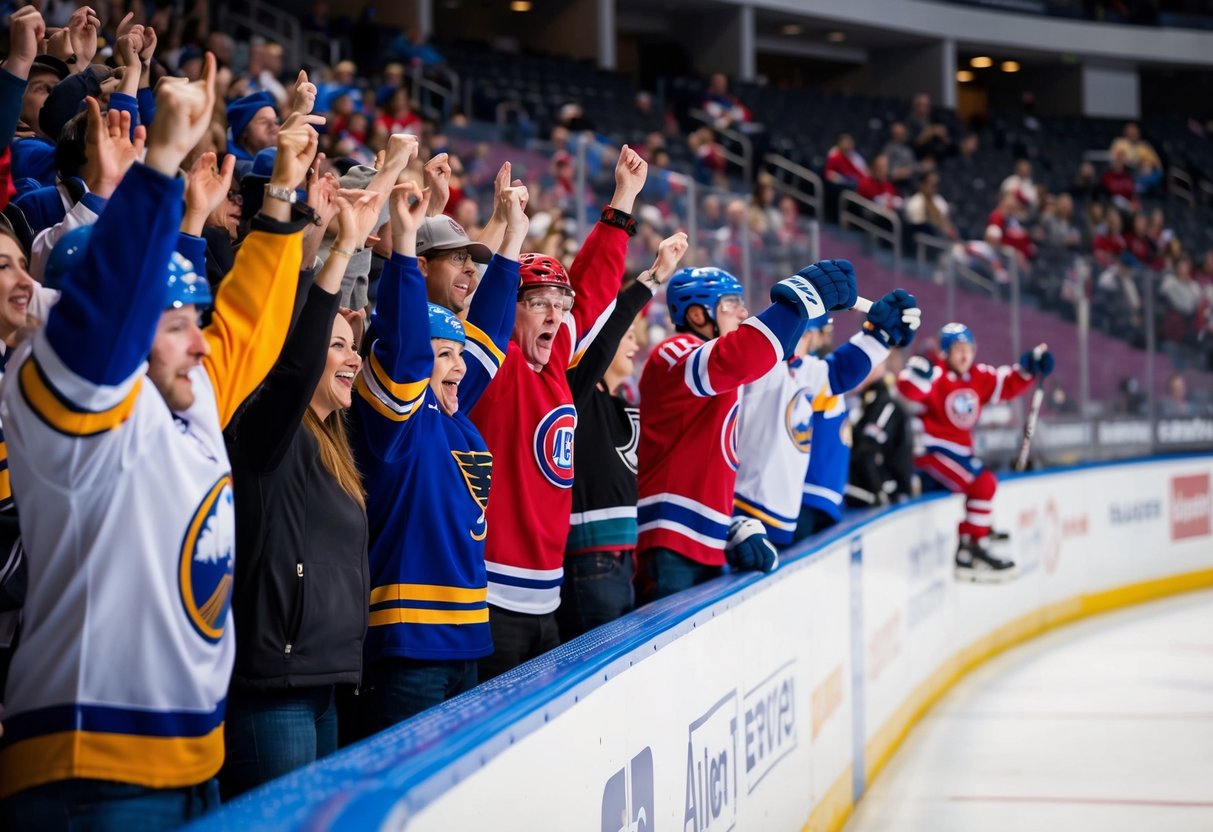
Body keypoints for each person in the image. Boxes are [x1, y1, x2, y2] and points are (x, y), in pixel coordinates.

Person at [0, 58, 313, 829]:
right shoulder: (61, 387)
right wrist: (162, 163)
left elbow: (246, 326)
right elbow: (101, 319)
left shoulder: (183, 389)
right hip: (92, 767)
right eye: (177, 324)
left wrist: (281, 204)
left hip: (193, 754)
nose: (200, 344)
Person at [219, 189, 385, 798]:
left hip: (328, 684)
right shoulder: (266, 433)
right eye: (336, 345)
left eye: (352, 345)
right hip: (273, 694)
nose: (351, 358)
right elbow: (291, 372)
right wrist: (342, 247)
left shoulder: (339, 447)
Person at [352, 178, 529, 729]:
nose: (458, 365)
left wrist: (513, 243)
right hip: (409, 645)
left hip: (467, 640)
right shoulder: (399, 420)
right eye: (443, 354)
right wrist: (404, 245)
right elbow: (405, 349)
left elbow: (491, 339)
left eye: (458, 354)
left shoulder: (455, 419)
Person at [469, 146, 645, 681]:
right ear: (511, 307)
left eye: (559, 306)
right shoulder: (496, 369)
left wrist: (622, 203)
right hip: (493, 597)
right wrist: (512, 237)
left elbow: (591, 295)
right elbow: (488, 314)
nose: (556, 315)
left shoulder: (552, 370)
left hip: (549, 599)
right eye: (540, 302)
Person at [636, 258, 878, 601]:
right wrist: (801, 298)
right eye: (731, 303)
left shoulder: (725, 375)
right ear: (696, 315)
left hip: (705, 542)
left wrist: (731, 526)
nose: (742, 311)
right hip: (670, 540)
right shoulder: (674, 352)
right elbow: (740, 356)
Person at [559, 231, 689, 641]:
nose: (634, 345)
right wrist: (651, 279)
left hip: (622, 562)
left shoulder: (622, 405)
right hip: (589, 564)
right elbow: (606, 330)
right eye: (626, 336)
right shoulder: (577, 394)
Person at [734, 293, 918, 548]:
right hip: (756, 503)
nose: (822, 340)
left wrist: (879, 338)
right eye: (821, 331)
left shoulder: (804, 369)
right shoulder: (765, 367)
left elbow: (840, 370)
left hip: (792, 505)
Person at [897, 323, 1053, 582]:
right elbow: (909, 389)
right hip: (933, 451)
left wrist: (1029, 367)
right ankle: (972, 549)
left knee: (984, 483)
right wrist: (915, 375)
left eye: (969, 349)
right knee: (982, 484)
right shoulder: (937, 376)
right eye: (958, 350)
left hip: (959, 452)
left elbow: (1006, 383)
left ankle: (977, 531)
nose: (965, 355)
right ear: (945, 353)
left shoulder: (977, 377)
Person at [846, 369, 915, 508]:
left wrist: (881, 491)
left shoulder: (884, 402)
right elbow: (865, 449)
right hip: (865, 497)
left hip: (873, 498)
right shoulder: (870, 401)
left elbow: (867, 450)